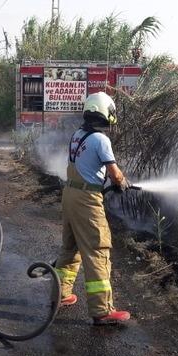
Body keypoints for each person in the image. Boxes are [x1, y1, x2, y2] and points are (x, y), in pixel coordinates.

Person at [54, 91, 132, 326]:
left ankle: (60, 295)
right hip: (87, 199)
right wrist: (121, 184)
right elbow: (114, 172)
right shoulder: (101, 140)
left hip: (70, 194)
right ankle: (102, 310)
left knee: (70, 247)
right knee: (97, 250)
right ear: (105, 112)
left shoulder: (77, 135)